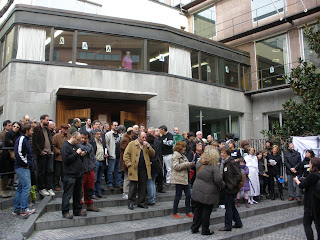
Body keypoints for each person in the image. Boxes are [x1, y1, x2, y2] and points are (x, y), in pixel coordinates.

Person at [191, 146, 225, 235]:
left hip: (197, 188)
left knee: (198, 210)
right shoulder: (214, 167)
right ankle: (205, 230)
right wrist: (223, 186)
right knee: (206, 211)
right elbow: (218, 180)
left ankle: (194, 227)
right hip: (208, 191)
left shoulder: (199, 163)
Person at [124, 131, 155, 210]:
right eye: (143, 137)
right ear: (138, 137)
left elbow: (153, 153)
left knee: (143, 186)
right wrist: (129, 165)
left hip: (144, 169)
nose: (144, 139)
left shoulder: (146, 145)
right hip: (134, 168)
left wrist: (148, 146)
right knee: (133, 186)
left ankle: (141, 202)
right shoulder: (132, 144)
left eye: (145, 137)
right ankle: (131, 202)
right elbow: (126, 155)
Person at [12, 124, 36, 218]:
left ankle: (17, 209)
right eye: (31, 130)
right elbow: (18, 153)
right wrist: (26, 164)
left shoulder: (24, 139)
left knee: (21, 188)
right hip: (22, 167)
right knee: (26, 188)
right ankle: (24, 209)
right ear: (27, 131)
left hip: (22, 167)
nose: (32, 132)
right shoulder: (22, 139)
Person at [61, 132, 87, 219]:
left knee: (78, 194)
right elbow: (66, 160)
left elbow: (76, 158)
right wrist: (76, 153)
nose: (79, 142)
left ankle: (77, 210)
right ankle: (65, 211)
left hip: (78, 173)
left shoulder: (76, 146)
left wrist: (81, 155)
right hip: (69, 174)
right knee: (68, 194)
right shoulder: (65, 146)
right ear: (73, 137)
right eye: (78, 140)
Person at [294, 157, 320, 240]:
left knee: (307, 224)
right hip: (318, 203)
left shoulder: (312, 175)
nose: (309, 165)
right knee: (318, 225)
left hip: (311, 203)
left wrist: (297, 180)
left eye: (310, 163)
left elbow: (302, 185)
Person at [218, 147, 242, 231]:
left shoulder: (231, 162)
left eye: (223, 153)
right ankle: (238, 222)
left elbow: (239, 175)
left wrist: (232, 185)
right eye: (221, 153)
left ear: (227, 154)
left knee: (228, 207)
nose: (222, 155)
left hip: (230, 188)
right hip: (227, 187)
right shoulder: (225, 162)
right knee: (231, 206)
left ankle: (228, 225)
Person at [32, 115, 55, 197]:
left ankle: (49, 187)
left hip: (49, 153)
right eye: (47, 120)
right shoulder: (36, 129)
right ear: (42, 120)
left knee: (50, 171)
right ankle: (41, 188)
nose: (48, 121)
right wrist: (40, 152)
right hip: (42, 154)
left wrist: (51, 151)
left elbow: (49, 140)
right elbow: (34, 143)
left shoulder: (47, 130)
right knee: (41, 171)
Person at [171, 141, 194, 219]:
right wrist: (187, 164)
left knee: (188, 195)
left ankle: (188, 211)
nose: (185, 148)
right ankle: (175, 212)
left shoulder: (183, 155)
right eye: (183, 147)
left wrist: (190, 164)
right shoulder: (176, 155)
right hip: (179, 178)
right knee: (178, 195)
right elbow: (176, 166)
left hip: (185, 178)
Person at [77, 131, 100, 212]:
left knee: (90, 188)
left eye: (85, 138)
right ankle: (79, 206)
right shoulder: (77, 145)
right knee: (80, 190)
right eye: (82, 138)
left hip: (90, 169)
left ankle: (89, 204)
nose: (83, 140)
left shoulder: (90, 145)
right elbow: (84, 149)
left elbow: (93, 156)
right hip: (81, 170)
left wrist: (94, 165)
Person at [52, 123, 71, 191]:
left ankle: (65, 184)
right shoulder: (56, 136)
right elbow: (53, 146)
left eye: (67, 129)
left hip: (67, 158)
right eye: (65, 129)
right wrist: (58, 152)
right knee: (57, 172)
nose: (66, 130)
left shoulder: (69, 136)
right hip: (59, 157)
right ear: (61, 129)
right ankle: (56, 184)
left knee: (65, 172)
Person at [91, 129, 107, 199]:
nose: (99, 135)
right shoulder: (93, 142)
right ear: (94, 135)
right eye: (97, 134)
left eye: (100, 134)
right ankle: (93, 192)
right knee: (95, 178)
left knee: (99, 179)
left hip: (102, 160)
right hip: (96, 161)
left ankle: (98, 192)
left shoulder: (102, 142)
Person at [105, 121, 122, 190]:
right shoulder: (108, 134)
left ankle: (118, 183)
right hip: (112, 155)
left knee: (118, 170)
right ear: (111, 126)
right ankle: (110, 183)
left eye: (117, 125)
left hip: (119, 155)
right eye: (115, 125)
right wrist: (109, 153)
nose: (116, 126)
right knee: (111, 170)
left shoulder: (120, 135)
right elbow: (107, 144)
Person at [120, 127, 134, 199]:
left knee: (129, 177)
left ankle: (129, 192)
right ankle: (125, 192)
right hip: (126, 162)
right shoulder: (125, 140)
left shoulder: (129, 139)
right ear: (131, 133)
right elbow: (126, 150)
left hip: (129, 161)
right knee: (126, 177)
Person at [146, 133, 160, 205]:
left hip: (151, 165)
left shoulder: (148, 147)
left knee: (150, 182)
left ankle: (151, 199)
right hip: (156, 165)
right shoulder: (156, 145)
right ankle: (153, 198)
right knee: (153, 182)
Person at [0, 120, 13, 198]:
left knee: (7, 174)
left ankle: (4, 188)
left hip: (8, 156)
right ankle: (2, 190)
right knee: (3, 174)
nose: (11, 127)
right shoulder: (2, 134)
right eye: (9, 125)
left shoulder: (10, 134)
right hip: (3, 156)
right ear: (5, 126)